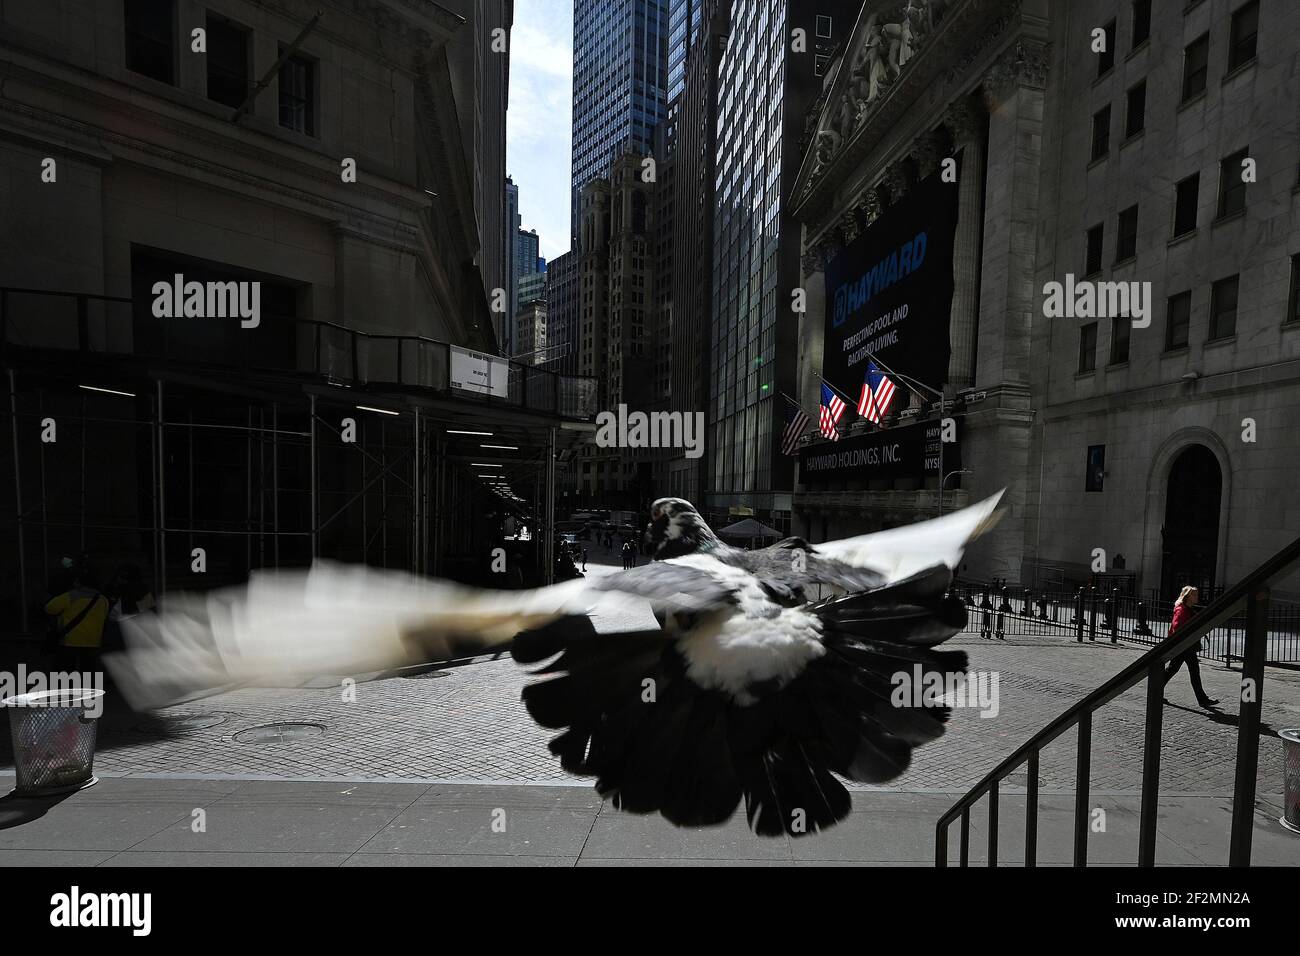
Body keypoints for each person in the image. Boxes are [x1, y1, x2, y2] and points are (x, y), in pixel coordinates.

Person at [1161, 585, 1218, 709]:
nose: (1197, 597)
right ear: (1187, 596)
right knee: (1187, 671)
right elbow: (1177, 627)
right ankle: (1203, 700)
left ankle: (1156, 689)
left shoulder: (1187, 608)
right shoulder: (1182, 609)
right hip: (1183, 646)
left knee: (1175, 669)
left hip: (1186, 645)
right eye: (1195, 595)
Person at [44, 569, 109, 673]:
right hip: (93, 639)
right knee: (88, 669)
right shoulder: (103, 599)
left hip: (70, 639)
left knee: (67, 669)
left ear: (80, 583)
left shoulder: (70, 595)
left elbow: (50, 608)